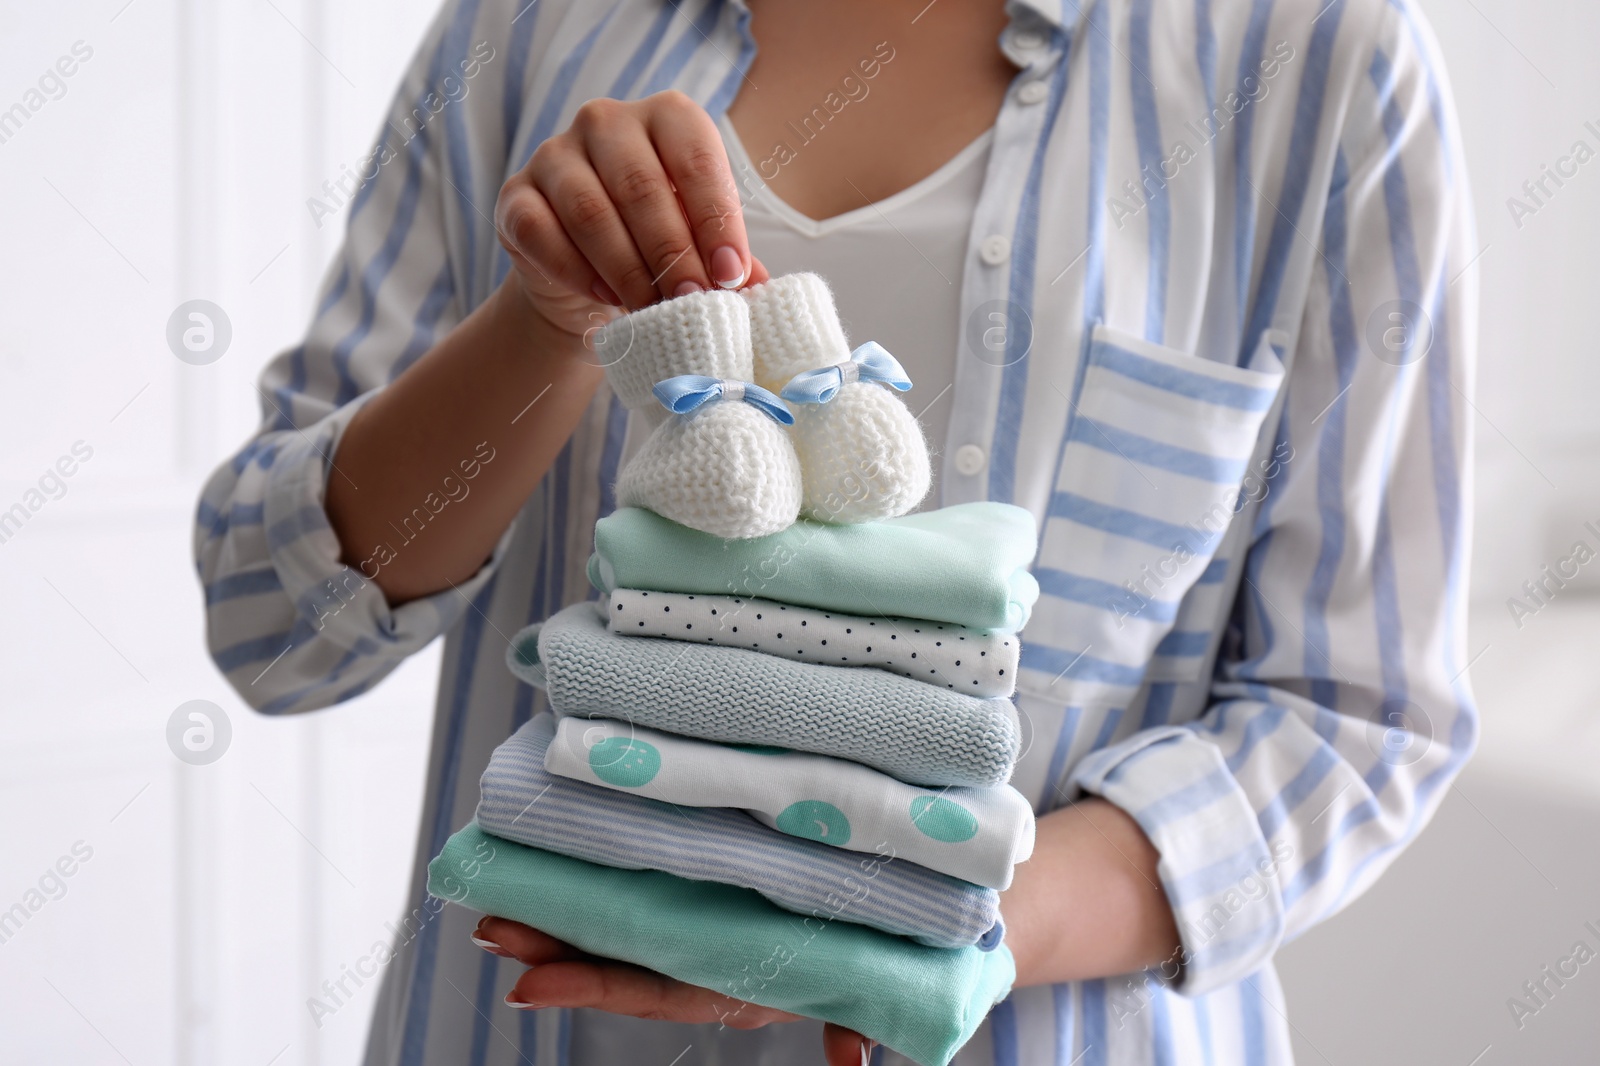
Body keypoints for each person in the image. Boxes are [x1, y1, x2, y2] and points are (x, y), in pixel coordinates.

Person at [194, 0, 1478, 1062]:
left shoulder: (1317, 58)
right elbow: (275, 625)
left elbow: (1355, 722)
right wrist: (541, 328)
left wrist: (925, 927)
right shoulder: (531, 26)